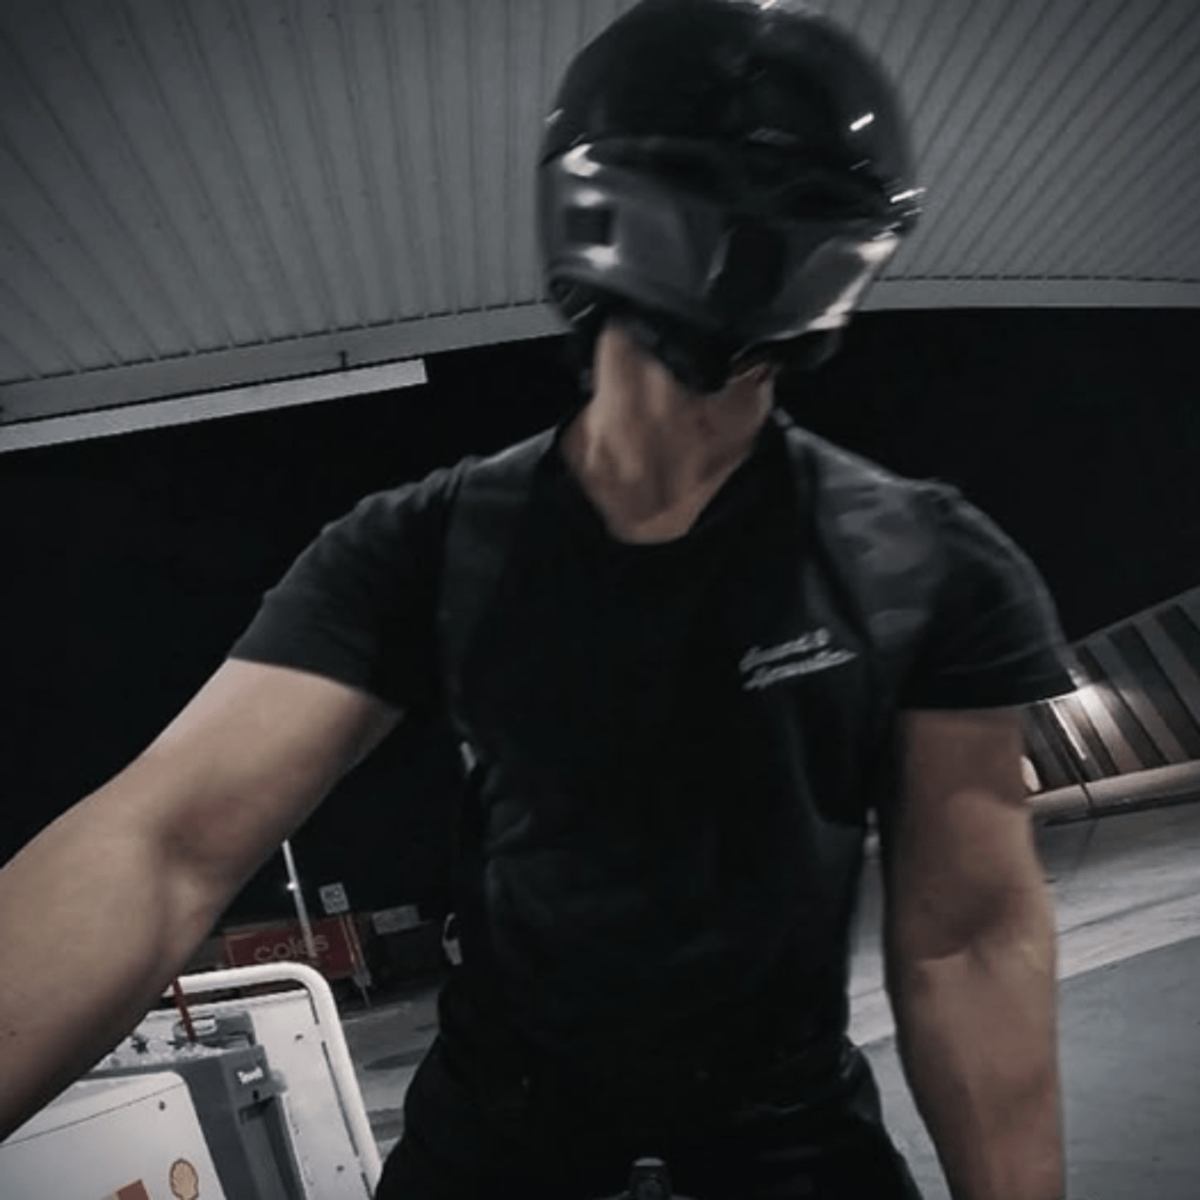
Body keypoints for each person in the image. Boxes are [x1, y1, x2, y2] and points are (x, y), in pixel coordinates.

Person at [0, 2, 1074, 1198]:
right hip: (501, 1147)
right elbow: (164, 842)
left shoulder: (926, 560)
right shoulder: (424, 546)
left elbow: (969, 937)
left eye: (789, 217)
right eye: (694, 203)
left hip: (788, 1148)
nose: (732, 253)